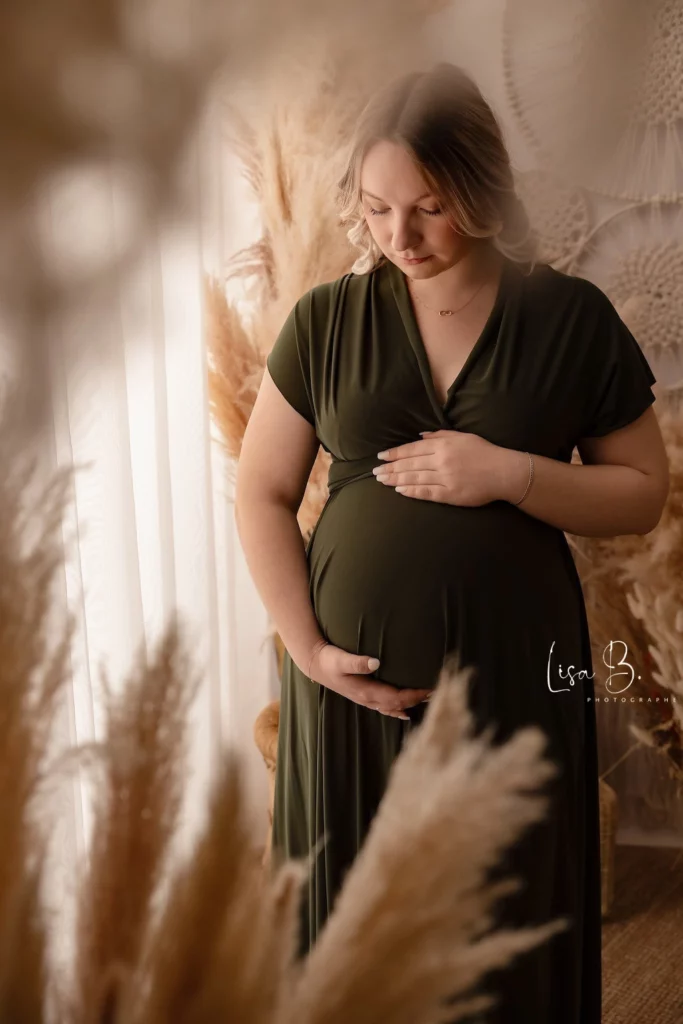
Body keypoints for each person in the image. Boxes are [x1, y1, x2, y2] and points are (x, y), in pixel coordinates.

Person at [234, 62, 669, 1022]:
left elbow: (641, 493)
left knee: (503, 927)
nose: (401, 237)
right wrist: (309, 654)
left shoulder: (567, 318)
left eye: (428, 207)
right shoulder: (327, 320)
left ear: (481, 188)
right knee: (351, 934)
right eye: (377, 209)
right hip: (348, 698)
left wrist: (510, 473)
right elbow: (261, 492)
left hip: (514, 679)